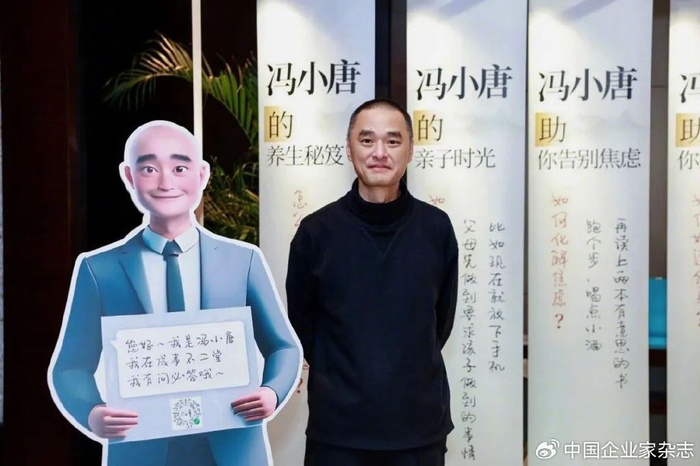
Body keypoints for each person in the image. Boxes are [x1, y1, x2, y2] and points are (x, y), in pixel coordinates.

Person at [49, 120, 301, 466]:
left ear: (202, 175)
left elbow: (284, 346)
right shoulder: (99, 269)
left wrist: (271, 392)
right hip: (140, 448)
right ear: (128, 176)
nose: (166, 182)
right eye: (149, 169)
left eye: (179, 168)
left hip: (233, 444)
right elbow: (70, 367)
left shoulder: (243, 261)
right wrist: (92, 412)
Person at [286, 99, 458, 465]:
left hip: (419, 431)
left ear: (410, 150)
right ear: (349, 149)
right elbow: (303, 323)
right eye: (367, 140)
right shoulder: (317, 233)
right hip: (338, 434)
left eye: (393, 141)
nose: (380, 152)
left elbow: (440, 321)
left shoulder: (436, 228)